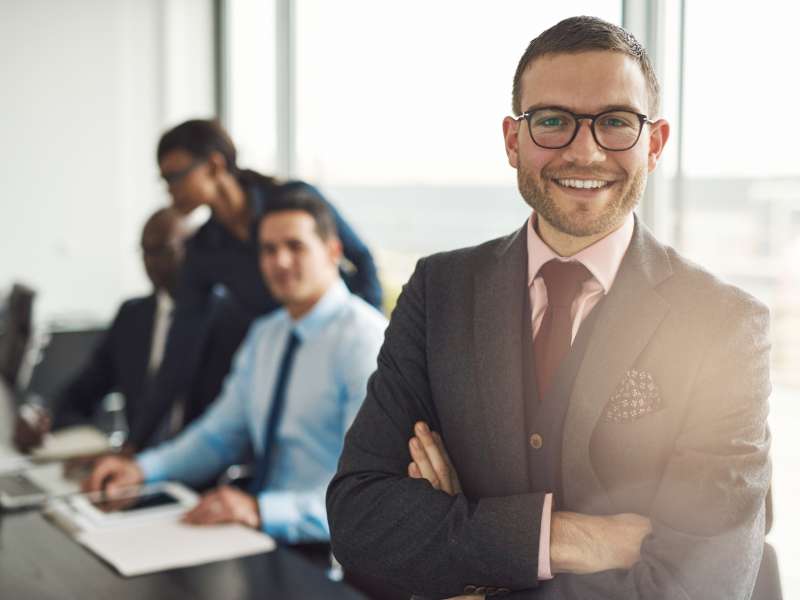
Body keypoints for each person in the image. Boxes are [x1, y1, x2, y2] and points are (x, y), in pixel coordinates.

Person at [327, 16, 773, 600]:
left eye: (615, 122)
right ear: (514, 141)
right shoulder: (438, 291)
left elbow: (701, 584)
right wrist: (568, 539)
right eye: (553, 121)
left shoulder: (725, 325)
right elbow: (361, 520)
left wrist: (475, 569)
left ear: (655, 143)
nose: (584, 152)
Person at [84, 190, 387, 543]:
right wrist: (141, 470)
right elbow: (216, 437)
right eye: (269, 250)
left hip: (331, 551)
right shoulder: (266, 335)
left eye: (295, 246)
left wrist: (261, 511)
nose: (281, 261)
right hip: (259, 535)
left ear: (333, 251)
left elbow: (372, 493)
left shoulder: (366, 343)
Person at [128, 119, 383, 449]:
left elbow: (361, 259)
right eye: (164, 180)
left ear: (214, 165)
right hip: (274, 363)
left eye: (174, 177)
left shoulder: (293, 201)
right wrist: (134, 445)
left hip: (334, 352)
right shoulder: (204, 249)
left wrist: (372, 339)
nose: (168, 189)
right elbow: (180, 349)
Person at [13, 208, 245, 451]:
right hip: (133, 465)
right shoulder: (133, 316)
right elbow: (82, 391)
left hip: (201, 468)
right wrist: (41, 415)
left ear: (193, 250)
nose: (151, 261)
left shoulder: (231, 318)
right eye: (145, 251)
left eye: (161, 250)